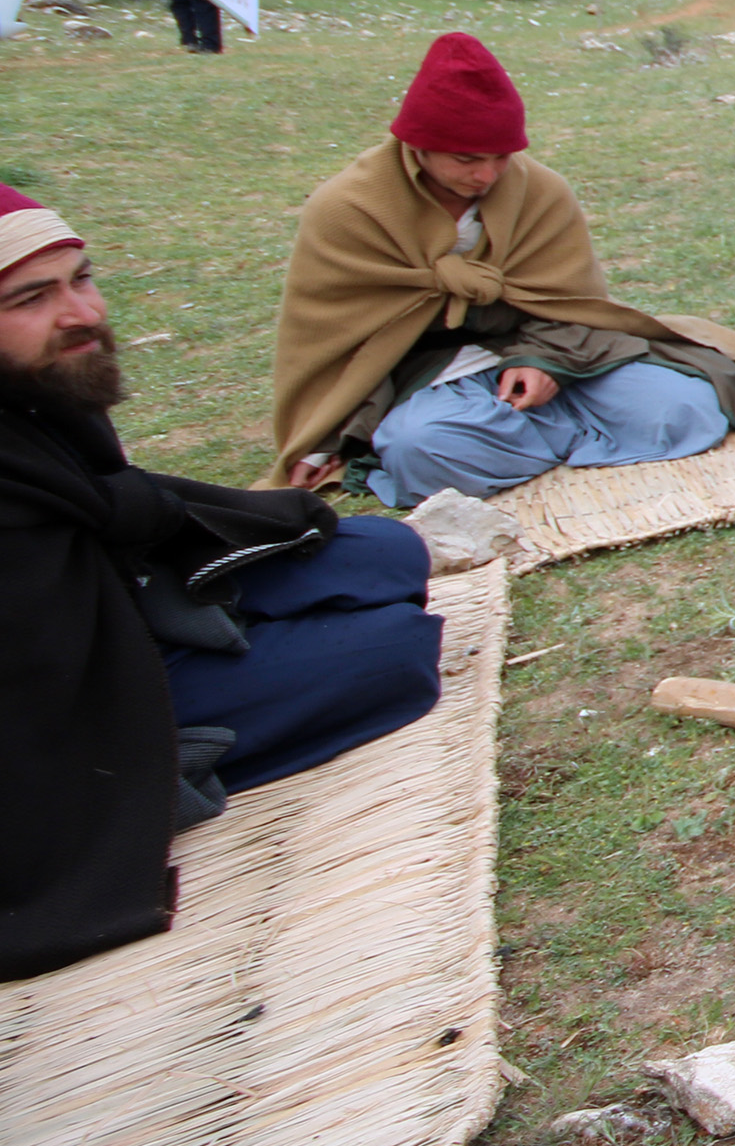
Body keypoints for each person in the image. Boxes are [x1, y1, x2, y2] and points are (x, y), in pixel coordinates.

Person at [3, 185, 447, 981]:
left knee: (388, 555)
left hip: (123, 597)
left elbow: (105, 511)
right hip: (83, 708)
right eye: (31, 298)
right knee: (394, 653)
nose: (78, 312)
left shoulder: (38, 388)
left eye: (81, 277)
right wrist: (151, 752)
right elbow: (38, 675)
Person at [270, 33, 735, 499]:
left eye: (501, 157)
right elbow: (328, 342)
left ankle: (520, 442)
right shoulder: (349, 209)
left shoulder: (540, 191)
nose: (487, 175)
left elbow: (576, 304)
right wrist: (322, 438)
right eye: (466, 159)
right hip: (428, 377)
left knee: (686, 409)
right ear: (417, 145)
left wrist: (544, 362)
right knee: (417, 450)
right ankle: (559, 438)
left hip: (559, 355)